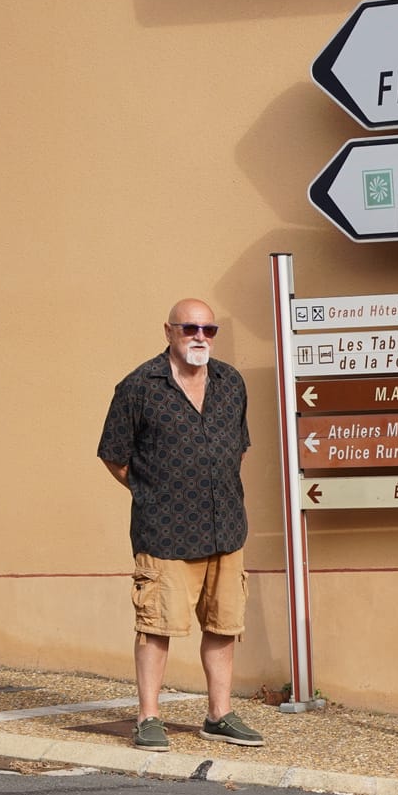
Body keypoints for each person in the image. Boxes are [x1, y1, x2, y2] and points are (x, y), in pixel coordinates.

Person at [97, 299, 261, 753]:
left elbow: (239, 447)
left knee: (223, 625)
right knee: (156, 627)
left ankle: (219, 714)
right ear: (169, 330)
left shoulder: (231, 383)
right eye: (191, 328)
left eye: (210, 329)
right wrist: (154, 492)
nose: (200, 337)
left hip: (226, 527)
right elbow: (114, 455)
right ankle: (148, 717)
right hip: (165, 531)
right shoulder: (138, 387)